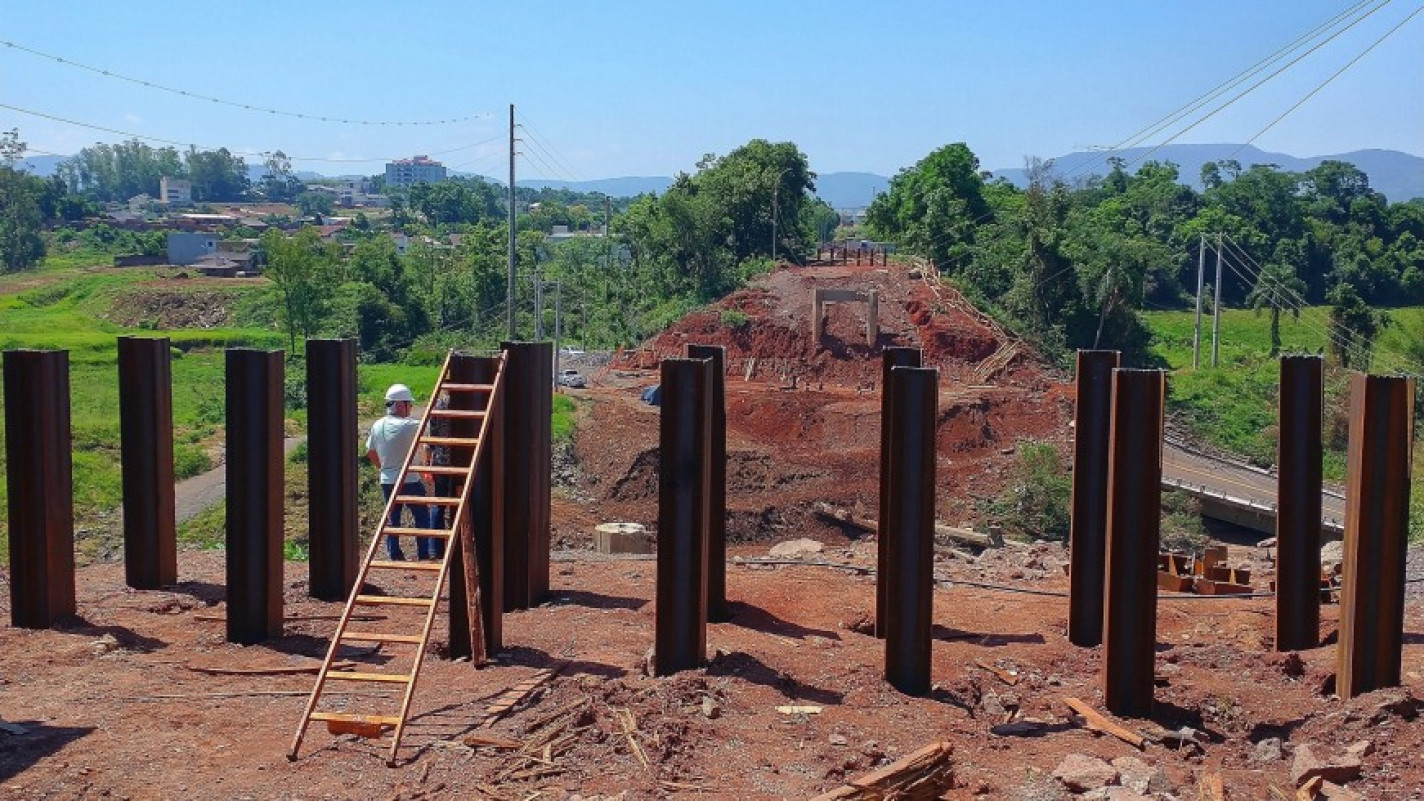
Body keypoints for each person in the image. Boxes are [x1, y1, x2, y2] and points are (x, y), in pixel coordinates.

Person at [365, 383, 440, 561]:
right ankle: (423, 553)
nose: (411, 407)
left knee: (392, 519)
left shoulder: (377, 425)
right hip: (410, 479)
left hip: (387, 480)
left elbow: (370, 451)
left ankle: (394, 554)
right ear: (400, 405)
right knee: (421, 516)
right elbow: (430, 428)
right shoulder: (411, 426)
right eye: (409, 404)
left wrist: (382, 468)